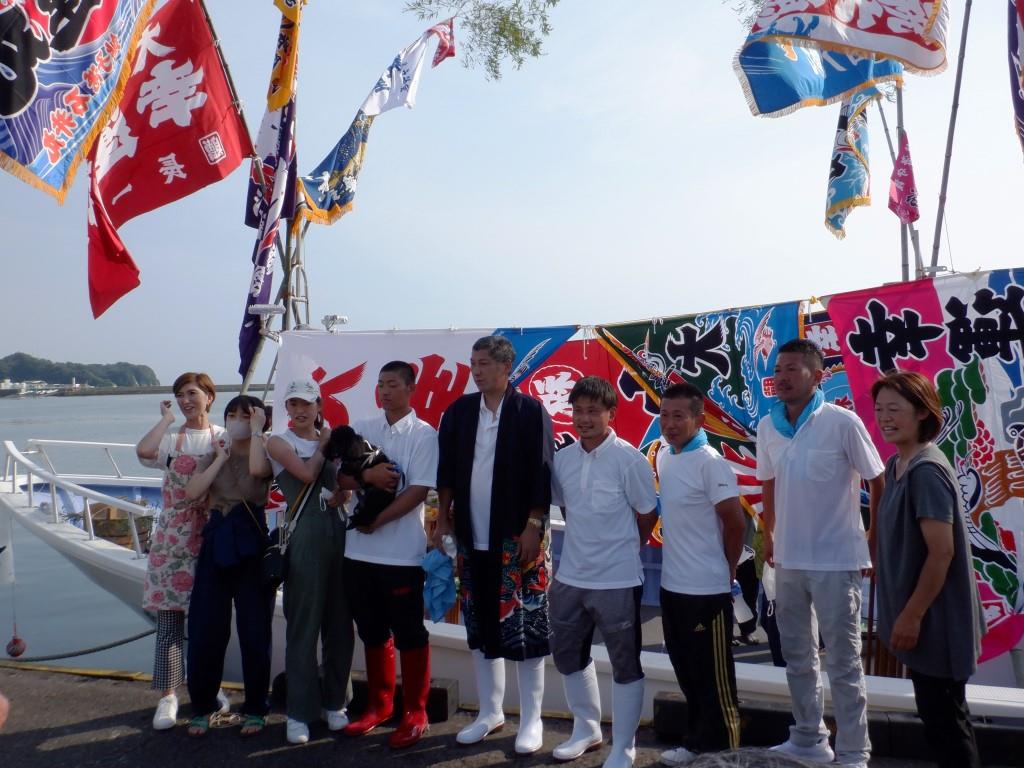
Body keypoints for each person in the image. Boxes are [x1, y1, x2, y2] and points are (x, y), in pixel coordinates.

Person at [756, 339, 884, 768]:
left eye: (793, 369)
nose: (782, 377)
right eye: (778, 369)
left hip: (837, 560)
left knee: (844, 662)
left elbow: (877, 480)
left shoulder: (842, 422)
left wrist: (873, 539)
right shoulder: (768, 426)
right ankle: (809, 738)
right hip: (788, 559)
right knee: (797, 657)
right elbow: (768, 481)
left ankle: (854, 751)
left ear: (818, 376)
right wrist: (768, 533)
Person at [434, 334, 555, 754]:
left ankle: (532, 718)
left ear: (506, 367)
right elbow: (446, 471)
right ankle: (490, 711)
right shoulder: (460, 412)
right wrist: (443, 519)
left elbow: (542, 471)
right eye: (473, 363)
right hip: (472, 537)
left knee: (527, 626)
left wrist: (533, 525)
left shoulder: (530, 411)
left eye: (484, 363)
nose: (476, 371)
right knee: (481, 624)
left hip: (517, 537)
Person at [871, 370, 984, 768]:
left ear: (922, 412)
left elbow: (941, 553)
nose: (885, 418)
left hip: (937, 620)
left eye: (895, 409)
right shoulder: (896, 464)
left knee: (948, 725)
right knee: (938, 721)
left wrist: (912, 615)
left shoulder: (926, 471)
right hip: (922, 619)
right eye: (879, 409)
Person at [549, 376, 657, 767]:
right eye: (577, 411)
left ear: (611, 413)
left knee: (625, 662)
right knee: (567, 655)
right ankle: (587, 729)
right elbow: (566, 507)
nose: (584, 419)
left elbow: (647, 514)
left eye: (593, 411)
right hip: (570, 576)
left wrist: (627, 547)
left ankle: (624, 746)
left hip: (617, 579)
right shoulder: (563, 459)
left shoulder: (630, 459)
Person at [340, 361, 438, 749]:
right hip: (358, 551)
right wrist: (367, 477)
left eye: (393, 384)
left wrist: (376, 520)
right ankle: (379, 705)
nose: (384, 391)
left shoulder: (424, 434)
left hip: (401, 555)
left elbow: (418, 491)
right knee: (372, 629)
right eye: (380, 384)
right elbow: (341, 477)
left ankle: (415, 711)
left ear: (411, 388)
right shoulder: (363, 427)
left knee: (410, 633)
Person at [656, 382, 746, 767]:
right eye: (664, 415)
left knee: (715, 679)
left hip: (706, 592)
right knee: (687, 671)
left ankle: (726, 752)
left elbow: (736, 523)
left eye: (678, 416)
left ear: (699, 419)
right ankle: (695, 744)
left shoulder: (711, 462)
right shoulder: (665, 456)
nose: (670, 424)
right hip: (672, 586)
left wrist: (726, 571)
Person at [136, 372, 226, 731]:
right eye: (180, 395)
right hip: (172, 537)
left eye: (192, 394)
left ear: (209, 396)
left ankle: (210, 688)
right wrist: (166, 419)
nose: (186, 401)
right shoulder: (172, 439)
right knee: (169, 622)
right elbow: (144, 452)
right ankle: (168, 696)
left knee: (209, 622)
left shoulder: (222, 437)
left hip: (211, 535)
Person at [266, 377, 352, 745]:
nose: (300, 410)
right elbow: (305, 475)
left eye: (306, 403)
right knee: (303, 627)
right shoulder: (278, 441)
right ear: (286, 408)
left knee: (340, 625)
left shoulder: (331, 441)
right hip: (304, 538)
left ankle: (336, 702)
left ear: (319, 405)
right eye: (293, 404)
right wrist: (323, 444)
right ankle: (299, 713)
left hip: (338, 534)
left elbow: (344, 485)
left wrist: (343, 492)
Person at [182, 395, 274, 737]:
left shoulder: (264, 452)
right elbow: (193, 491)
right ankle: (203, 706)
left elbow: (254, 480)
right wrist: (220, 457)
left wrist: (257, 433)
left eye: (244, 415)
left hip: (250, 540)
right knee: (206, 628)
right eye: (231, 414)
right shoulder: (215, 452)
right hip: (217, 538)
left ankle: (256, 708)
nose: (236, 420)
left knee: (255, 630)